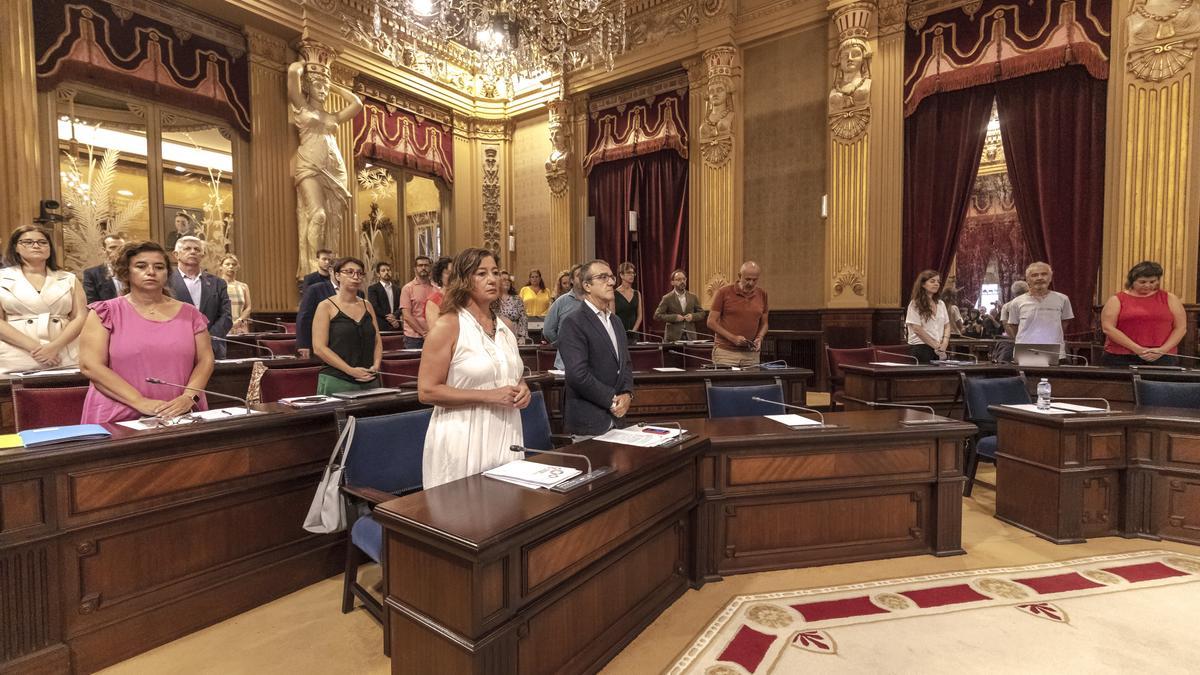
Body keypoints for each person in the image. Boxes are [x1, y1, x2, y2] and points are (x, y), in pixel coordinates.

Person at [418, 248, 530, 488]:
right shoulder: (447, 326)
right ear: (463, 280)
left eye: (495, 272)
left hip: (505, 431)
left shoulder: (505, 328)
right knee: (465, 517)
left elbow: (513, 376)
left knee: (506, 513)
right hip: (464, 436)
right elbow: (427, 391)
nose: (492, 279)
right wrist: (489, 396)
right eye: (481, 273)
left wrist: (523, 389)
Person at [79, 241, 214, 423]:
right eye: (141, 266)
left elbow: (205, 360)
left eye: (159, 267)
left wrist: (189, 397)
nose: (151, 272)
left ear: (167, 273)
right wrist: (139, 402)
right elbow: (91, 365)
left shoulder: (190, 314)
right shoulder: (105, 312)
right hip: (118, 414)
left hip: (180, 412)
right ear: (126, 272)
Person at [558, 260, 635, 436]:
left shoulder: (616, 321)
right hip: (589, 423)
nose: (611, 282)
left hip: (617, 422)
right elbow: (578, 375)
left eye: (611, 277)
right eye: (603, 277)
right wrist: (612, 399)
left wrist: (627, 394)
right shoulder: (573, 322)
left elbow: (626, 364)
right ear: (587, 285)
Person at [0, 226, 87, 373]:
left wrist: (54, 347)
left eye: (42, 242)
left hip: (63, 352)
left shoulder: (68, 278)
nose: (36, 245)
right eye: (27, 242)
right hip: (18, 353)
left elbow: (80, 316)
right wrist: (37, 349)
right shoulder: (2, 278)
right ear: (16, 247)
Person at [312, 257, 382, 395]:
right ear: (337, 275)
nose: (355, 277)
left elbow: (377, 339)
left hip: (369, 378)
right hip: (337, 380)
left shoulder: (367, 305)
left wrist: (376, 365)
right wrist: (350, 370)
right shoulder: (325, 306)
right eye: (349, 272)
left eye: (359, 273)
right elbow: (319, 348)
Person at [1100, 261, 1186, 367]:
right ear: (1132, 281)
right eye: (1142, 282)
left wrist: (1163, 350)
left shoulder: (1170, 298)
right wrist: (1138, 349)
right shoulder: (1117, 299)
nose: (1147, 285)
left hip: (1162, 355)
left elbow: (1180, 328)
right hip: (1121, 356)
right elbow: (1108, 328)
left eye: (1152, 282)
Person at [169, 236, 232, 359]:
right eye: (187, 248)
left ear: (202, 255)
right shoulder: (165, 282)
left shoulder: (218, 283)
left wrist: (207, 340)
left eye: (197, 249)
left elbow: (226, 317)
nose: (193, 252)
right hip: (176, 350)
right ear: (176, 255)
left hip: (212, 349)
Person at [707, 261, 769, 366]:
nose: (751, 283)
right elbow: (711, 322)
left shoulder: (762, 294)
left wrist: (760, 337)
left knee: (753, 383)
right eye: (748, 279)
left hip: (751, 354)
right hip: (726, 354)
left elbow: (765, 323)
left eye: (755, 280)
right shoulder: (724, 292)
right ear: (740, 276)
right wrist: (733, 338)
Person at [1007, 262, 1074, 358]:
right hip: (1025, 353)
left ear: (1050, 278)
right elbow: (1014, 326)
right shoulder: (1016, 302)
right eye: (1034, 275)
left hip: (1055, 353)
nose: (1039, 278)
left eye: (1044, 274)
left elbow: (1064, 323)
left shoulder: (1063, 299)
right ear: (1028, 280)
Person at [542, 263, 585, 367]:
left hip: (591, 363)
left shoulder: (594, 300)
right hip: (565, 363)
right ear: (572, 280)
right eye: (579, 275)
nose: (583, 278)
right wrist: (561, 343)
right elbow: (548, 330)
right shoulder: (561, 302)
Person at [904, 269, 950, 363]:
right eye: (932, 281)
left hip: (940, 348)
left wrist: (945, 343)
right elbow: (917, 329)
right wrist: (935, 345)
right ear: (923, 284)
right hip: (921, 348)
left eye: (938, 281)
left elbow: (947, 325)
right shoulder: (915, 304)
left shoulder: (940, 304)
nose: (936, 284)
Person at [654, 268, 707, 342]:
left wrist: (693, 316)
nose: (682, 281)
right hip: (673, 338)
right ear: (672, 282)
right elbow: (657, 315)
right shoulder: (667, 298)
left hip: (690, 337)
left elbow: (702, 313)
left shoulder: (693, 297)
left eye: (684, 279)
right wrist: (674, 317)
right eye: (678, 279)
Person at [296, 272, 336, 359]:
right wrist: (303, 344)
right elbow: (304, 317)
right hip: (318, 340)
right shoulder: (315, 289)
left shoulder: (358, 292)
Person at [399, 255, 433, 349]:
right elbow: (407, 316)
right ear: (415, 269)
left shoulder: (436, 288)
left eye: (426, 265)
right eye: (420, 265)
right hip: (413, 338)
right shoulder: (407, 288)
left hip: (433, 335)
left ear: (430, 268)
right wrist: (423, 333)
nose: (423, 268)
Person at [83, 233, 126, 303]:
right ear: (104, 250)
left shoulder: (133, 270)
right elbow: (91, 302)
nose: (118, 251)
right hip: (106, 312)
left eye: (121, 248)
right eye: (113, 247)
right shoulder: (92, 274)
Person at [219, 254, 252, 335]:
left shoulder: (243, 286)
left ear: (237, 267)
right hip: (222, 326)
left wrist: (239, 320)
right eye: (227, 264)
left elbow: (248, 307)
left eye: (234, 264)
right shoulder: (216, 285)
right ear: (221, 267)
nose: (231, 266)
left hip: (240, 326)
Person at [367, 261, 401, 331]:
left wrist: (394, 315)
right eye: (383, 271)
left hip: (396, 324)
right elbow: (374, 306)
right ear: (378, 274)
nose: (386, 272)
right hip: (381, 325)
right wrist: (390, 318)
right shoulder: (373, 288)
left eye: (388, 270)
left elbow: (401, 305)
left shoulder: (397, 289)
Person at [497, 270, 529, 344]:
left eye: (509, 280)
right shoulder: (493, 300)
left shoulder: (516, 299)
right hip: (498, 337)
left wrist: (522, 337)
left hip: (515, 337)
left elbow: (523, 318)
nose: (507, 282)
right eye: (504, 280)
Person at [613, 261, 643, 336]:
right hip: (619, 332)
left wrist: (633, 331)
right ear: (621, 275)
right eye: (629, 273)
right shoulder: (614, 294)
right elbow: (612, 316)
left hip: (634, 333)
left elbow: (639, 316)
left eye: (633, 273)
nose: (632, 275)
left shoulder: (637, 293)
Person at [425, 256, 453, 328]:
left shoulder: (463, 297)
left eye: (454, 273)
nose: (452, 276)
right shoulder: (434, 300)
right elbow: (434, 330)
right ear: (440, 276)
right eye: (447, 273)